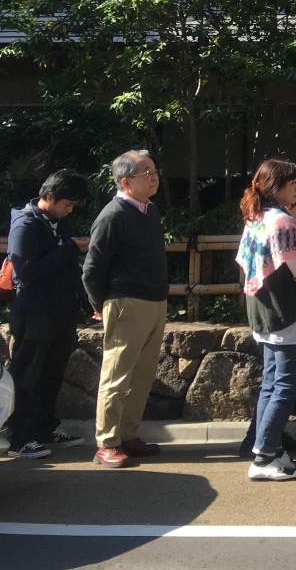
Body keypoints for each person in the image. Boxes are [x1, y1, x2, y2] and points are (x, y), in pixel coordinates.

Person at [237, 159, 296, 481]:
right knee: (286, 387)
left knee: (272, 385)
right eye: (292, 183)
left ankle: (271, 451)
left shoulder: (256, 218)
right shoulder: (283, 223)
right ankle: (264, 458)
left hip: (262, 311)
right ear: (278, 187)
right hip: (286, 312)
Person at [82, 150, 169, 469]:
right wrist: (100, 305)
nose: (154, 176)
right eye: (146, 172)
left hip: (155, 301)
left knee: (142, 375)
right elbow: (92, 268)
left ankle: (128, 435)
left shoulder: (150, 210)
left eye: (154, 170)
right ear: (125, 181)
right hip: (125, 302)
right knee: (116, 376)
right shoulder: (113, 215)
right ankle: (106, 443)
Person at [5, 170, 91, 460]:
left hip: (62, 311)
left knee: (52, 374)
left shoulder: (58, 223)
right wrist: (68, 249)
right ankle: (20, 438)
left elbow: (68, 268)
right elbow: (26, 272)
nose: (70, 210)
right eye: (67, 204)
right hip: (34, 312)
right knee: (27, 375)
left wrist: (84, 301)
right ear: (50, 196)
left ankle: (44, 428)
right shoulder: (25, 224)